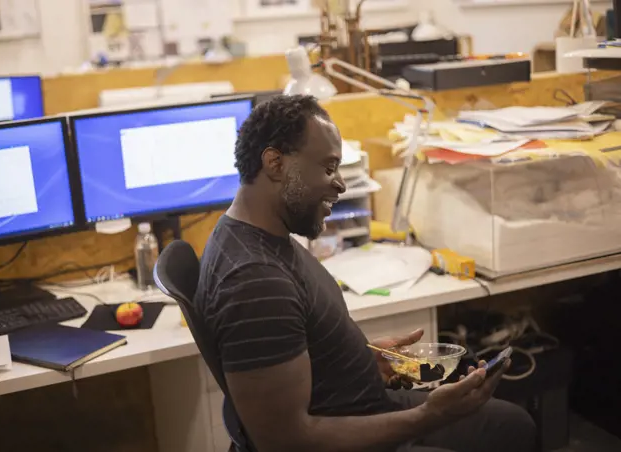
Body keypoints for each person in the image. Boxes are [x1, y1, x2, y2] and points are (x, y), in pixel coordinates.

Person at [194, 95, 536, 452]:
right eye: (328, 168)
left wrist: (360, 358)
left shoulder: (259, 234)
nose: (341, 184)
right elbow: (286, 441)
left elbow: (300, 340)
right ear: (275, 163)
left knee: (512, 426)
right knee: (510, 434)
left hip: (358, 405)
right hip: (342, 435)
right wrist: (430, 415)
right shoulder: (255, 280)